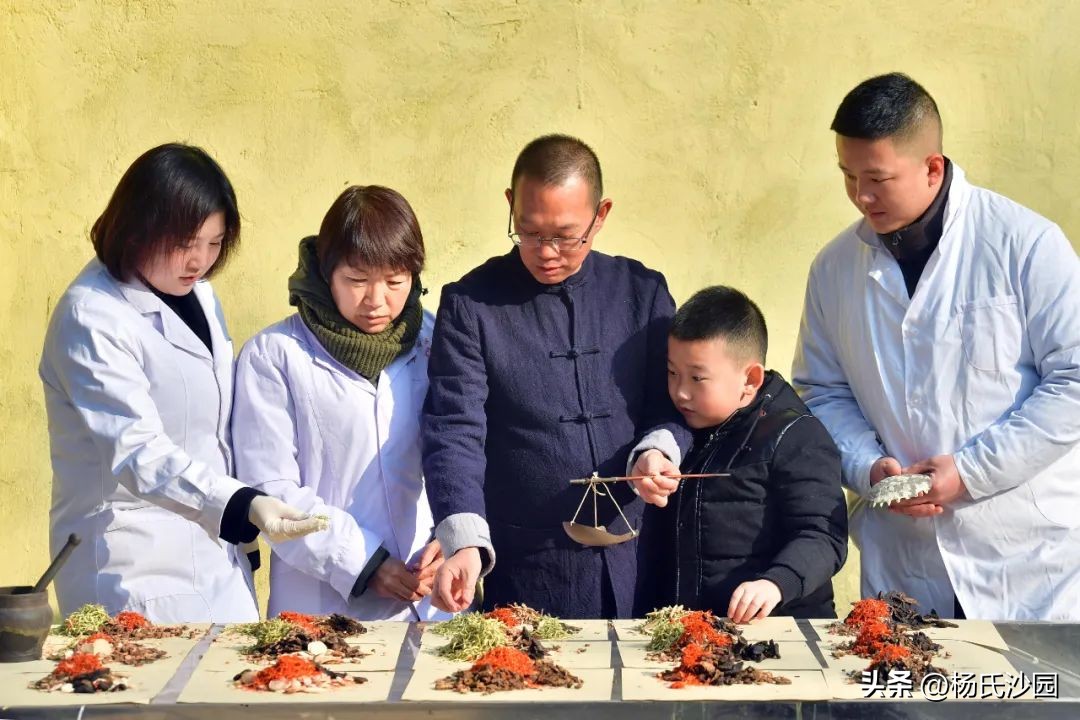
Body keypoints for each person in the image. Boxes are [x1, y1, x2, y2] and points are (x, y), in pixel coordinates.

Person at [792, 72, 1080, 620]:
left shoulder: (1025, 245)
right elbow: (820, 392)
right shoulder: (833, 269)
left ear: (932, 167)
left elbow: (1074, 381)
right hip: (905, 559)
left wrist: (972, 472)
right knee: (911, 702)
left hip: (1026, 563)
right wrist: (868, 466)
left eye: (877, 177)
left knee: (1030, 703)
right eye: (848, 176)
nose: (861, 195)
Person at [40, 143, 323, 623]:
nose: (200, 261)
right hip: (132, 561)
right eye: (185, 243)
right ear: (138, 227)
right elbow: (138, 452)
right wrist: (240, 503)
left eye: (214, 243)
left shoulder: (200, 296)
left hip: (214, 555)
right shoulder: (91, 316)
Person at [423, 134, 690, 619]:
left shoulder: (642, 292)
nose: (546, 252)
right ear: (511, 205)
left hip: (639, 557)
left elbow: (670, 402)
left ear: (601, 214)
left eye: (567, 236)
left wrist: (657, 448)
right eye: (528, 232)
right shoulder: (471, 304)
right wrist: (461, 540)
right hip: (529, 565)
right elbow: (454, 428)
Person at [232, 185, 448, 621]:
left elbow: (469, 450)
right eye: (356, 280)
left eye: (395, 281)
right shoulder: (274, 356)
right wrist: (363, 562)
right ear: (325, 272)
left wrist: (455, 535)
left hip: (432, 600)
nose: (377, 300)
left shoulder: (438, 340)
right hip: (322, 608)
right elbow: (271, 491)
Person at [635, 286, 847, 620]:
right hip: (697, 631)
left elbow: (823, 535)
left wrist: (776, 584)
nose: (680, 392)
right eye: (672, 373)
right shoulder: (682, 427)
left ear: (750, 379)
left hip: (777, 630)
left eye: (697, 378)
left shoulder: (796, 435)